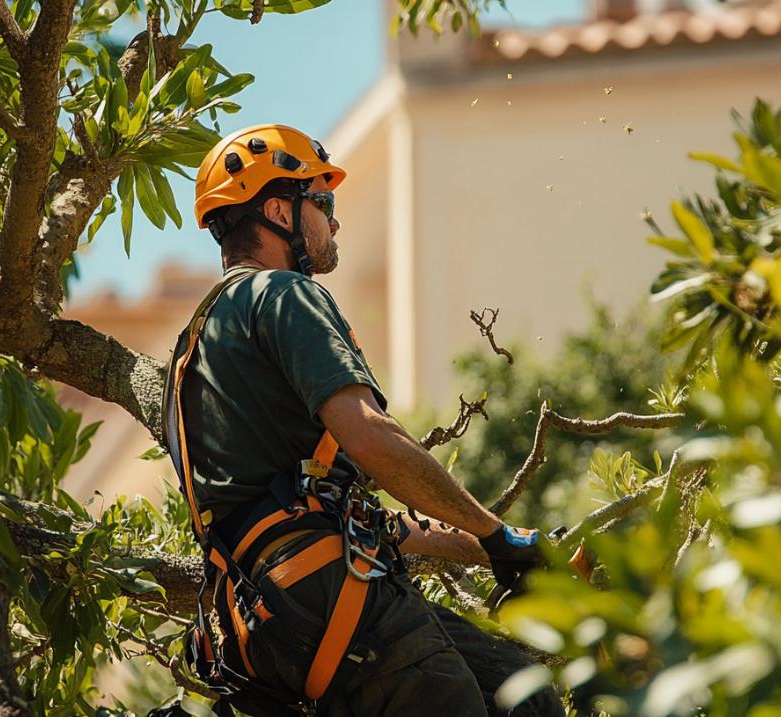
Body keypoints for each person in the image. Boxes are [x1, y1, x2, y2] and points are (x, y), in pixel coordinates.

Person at [161, 124, 558, 717]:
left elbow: (347, 515)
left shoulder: (192, 347)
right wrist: (495, 531)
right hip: (319, 590)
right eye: (322, 202)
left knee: (519, 688)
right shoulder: (282, 294)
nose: (334, 222)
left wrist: (497, 545)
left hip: (260, 615)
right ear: (277, 210)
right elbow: (369, 436)